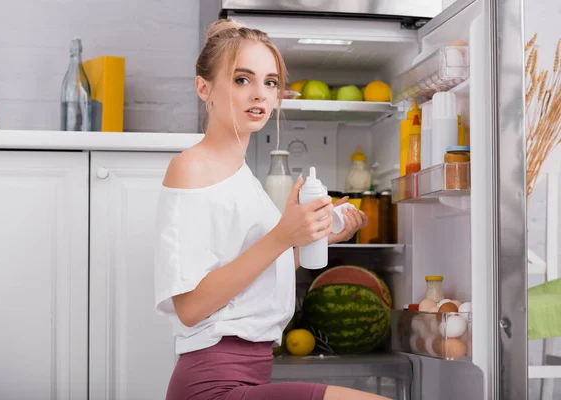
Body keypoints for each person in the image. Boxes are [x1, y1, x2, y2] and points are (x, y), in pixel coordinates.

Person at [154, 18, 389, 400]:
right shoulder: (191, 167)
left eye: (270, 82)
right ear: (204, 88)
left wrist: (314, 237)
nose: (260, 94)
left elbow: (249, 279)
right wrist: (283, 235)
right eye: (242, 80)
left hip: (253, 372)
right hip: (212, 383)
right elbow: (191, 306)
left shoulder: (244, 178)